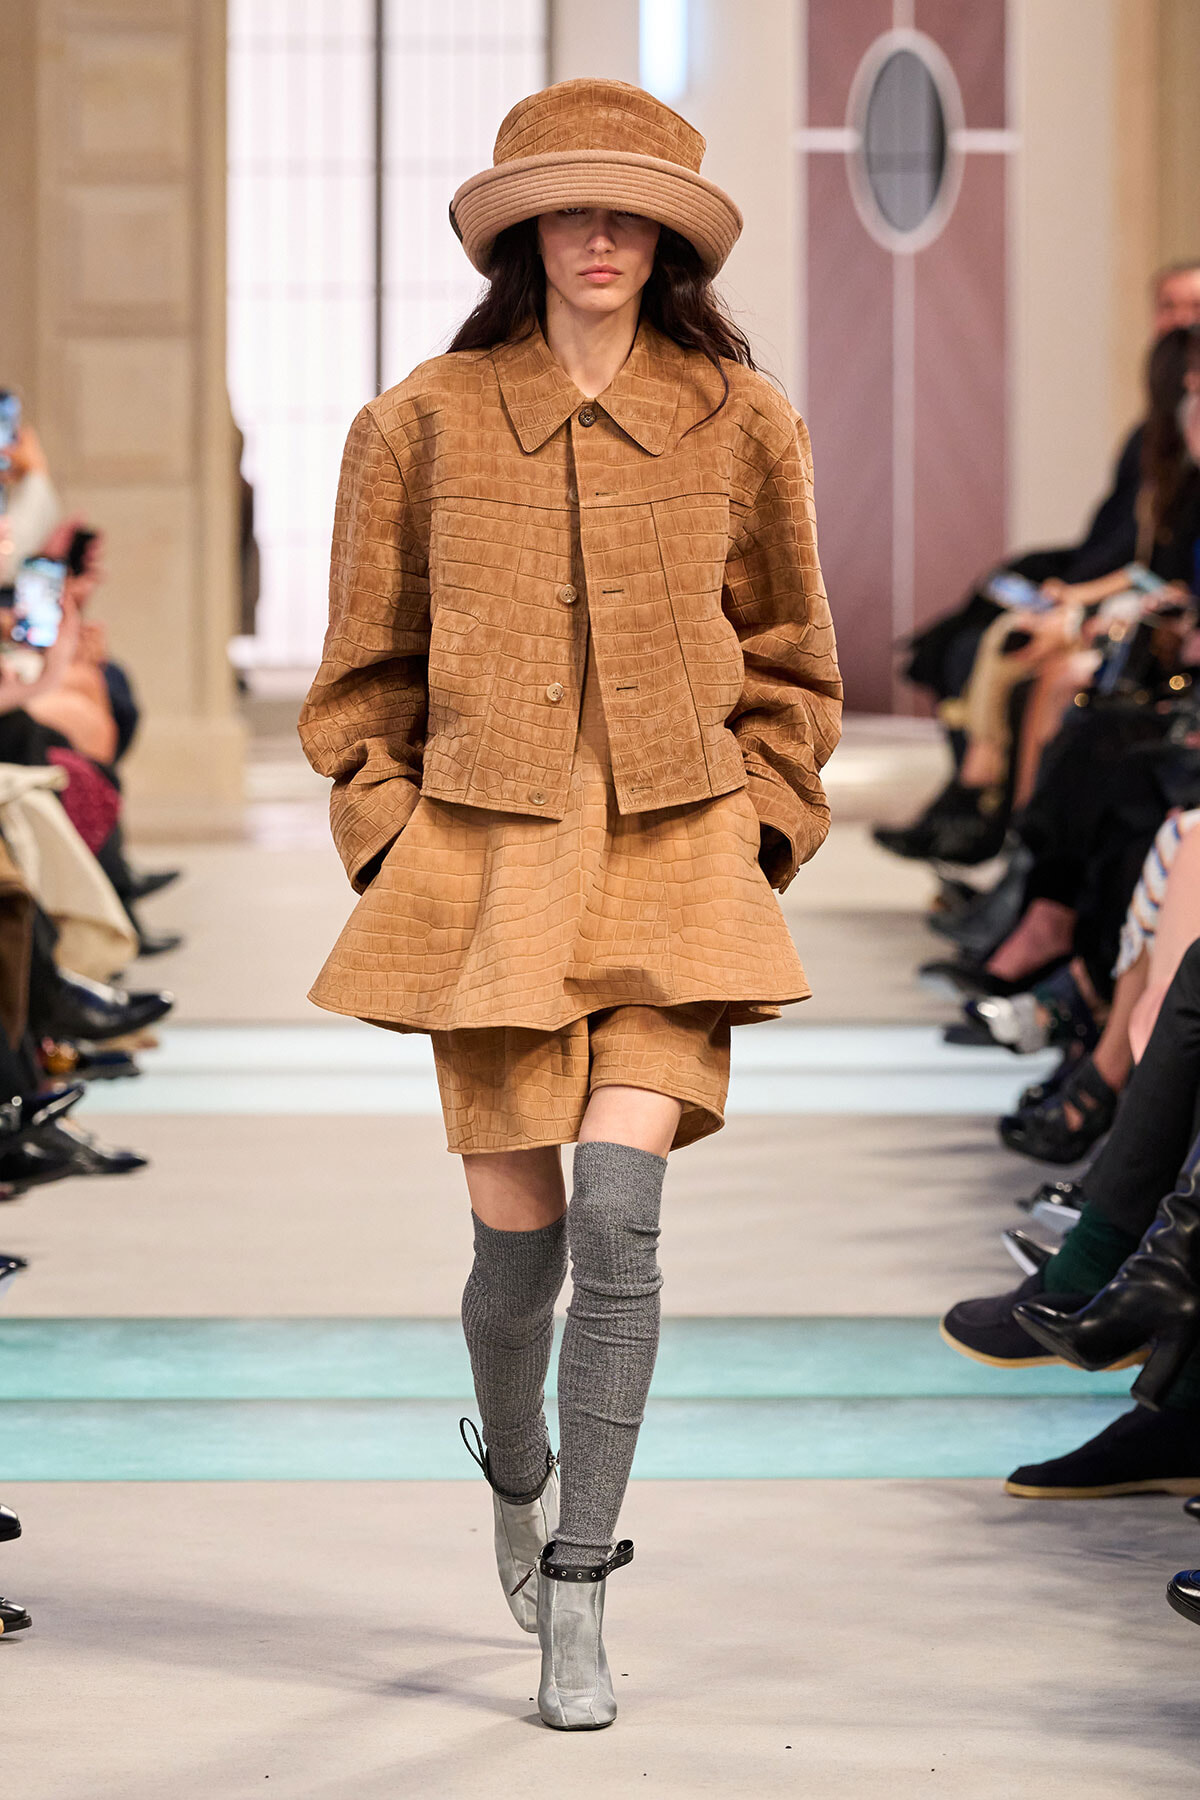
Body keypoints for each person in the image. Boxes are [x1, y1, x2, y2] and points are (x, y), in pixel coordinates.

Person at [299, 77, 841, 1731]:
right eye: (571, 206)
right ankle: (519, 1469)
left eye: (632, 213)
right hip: (486, 869)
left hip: (679, 857)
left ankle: (586, 1587)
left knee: (623, 1211)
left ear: (669, 240)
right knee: (514, 1257)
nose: (601, 236)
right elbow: (358, 680)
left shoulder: (742, 420)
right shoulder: (421, 424)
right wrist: (391, 842)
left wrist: (765, 823)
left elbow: (794, 656)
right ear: (524, 226)